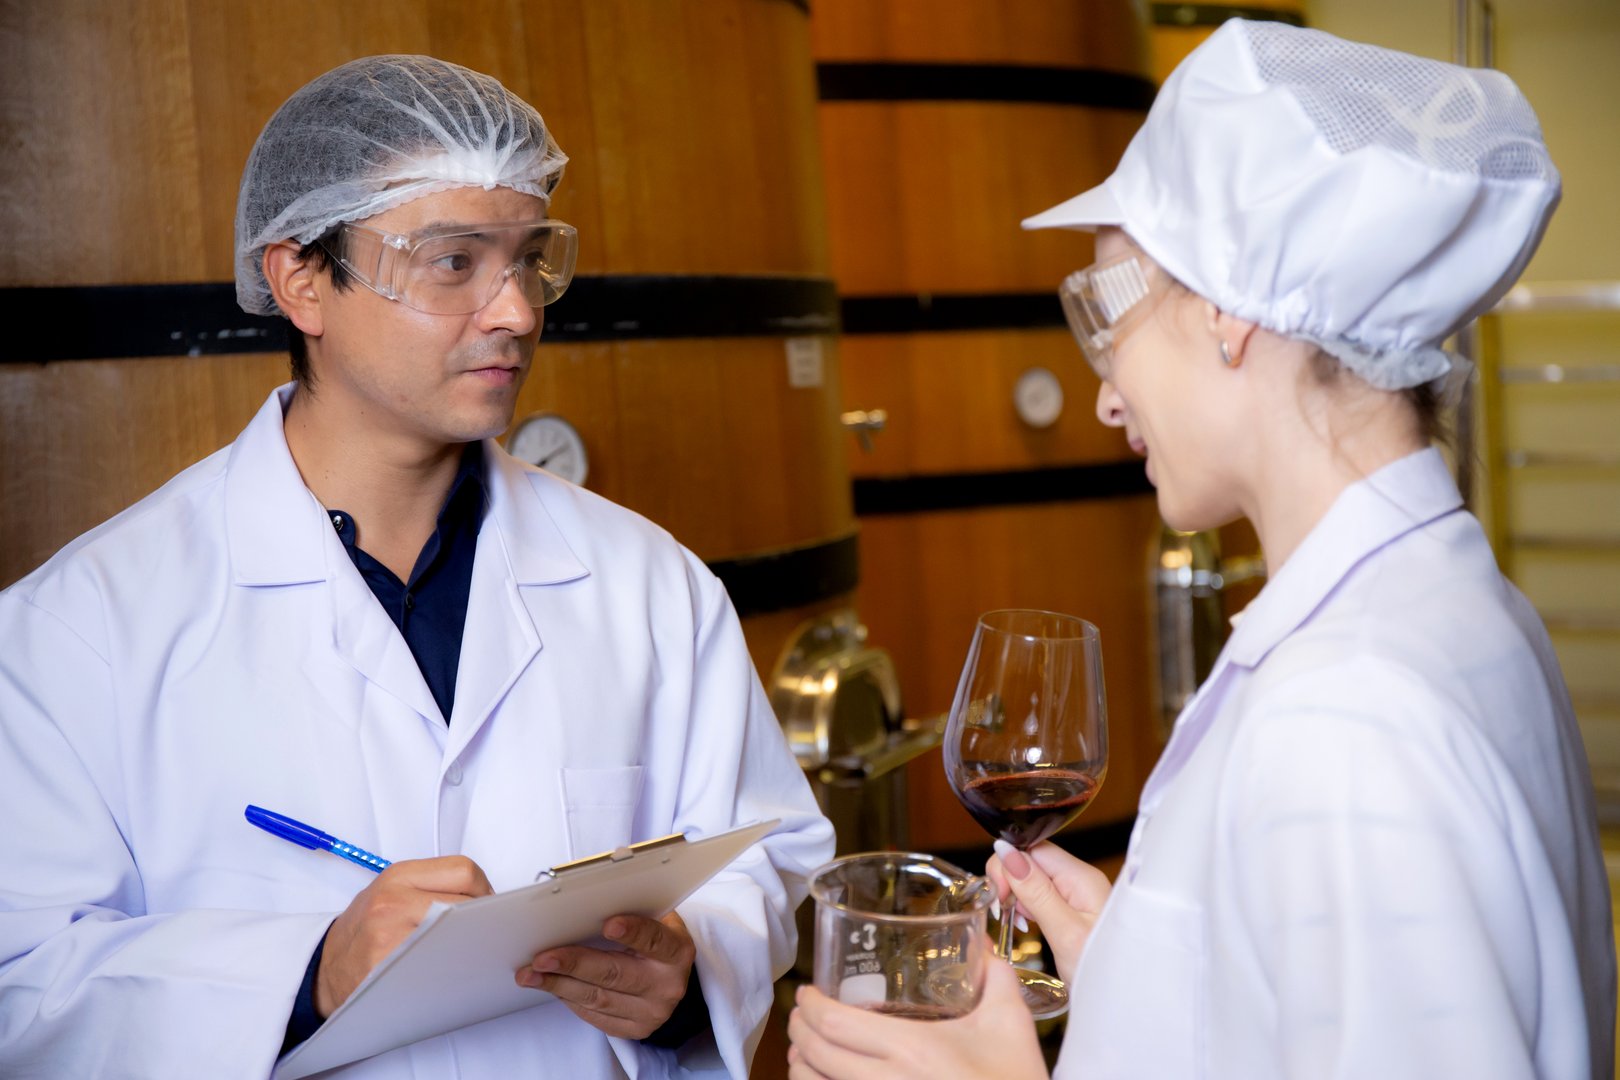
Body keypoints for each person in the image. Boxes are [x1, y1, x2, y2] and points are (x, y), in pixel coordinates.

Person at [787, 19, 1615, 1080]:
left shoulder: (1347, 713)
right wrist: (1146, 976)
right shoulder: (1452, 609)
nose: (1103, 390)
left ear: (1230, 311)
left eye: (1107, 315)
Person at [0, 55, 833, 1078]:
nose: (518, 312)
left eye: (528, 260)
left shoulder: (648, 585)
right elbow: (23, 979)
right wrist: (308, 974)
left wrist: (689, 968)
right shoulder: (83, 624)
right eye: (454, 263)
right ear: (300, 278)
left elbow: (767, 853)